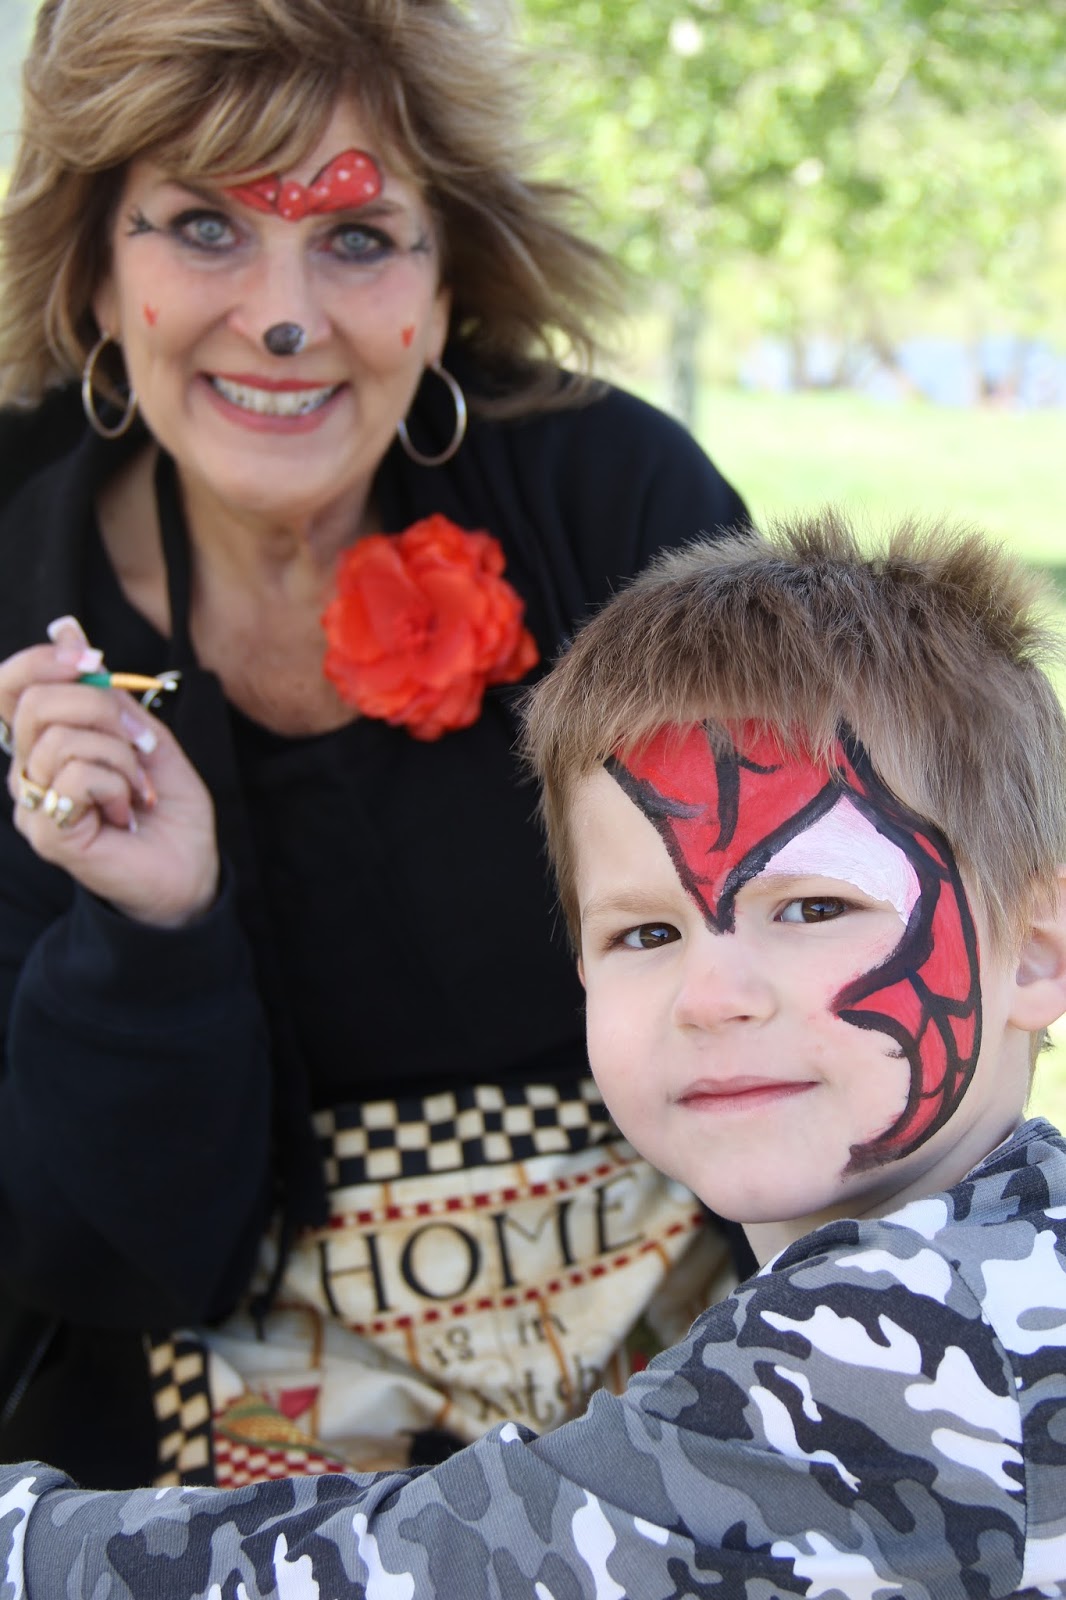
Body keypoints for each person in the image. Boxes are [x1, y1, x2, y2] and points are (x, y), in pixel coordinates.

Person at [5, 510, 1066, 1598]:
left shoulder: (893, 1349)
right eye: (645, 933)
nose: (711, 994)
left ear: (1033, 952)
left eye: (811, 906)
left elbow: (388, 1574)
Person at [0, 0, 751, 1491]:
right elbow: (109, 1259)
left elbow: (822, 1003)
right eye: (201, 227)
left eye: (355, 239)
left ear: (445, 275)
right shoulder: (13, 569)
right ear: (93, 267)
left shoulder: (607, 502)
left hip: (659, 1424)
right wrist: (152, 934)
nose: (283, 315)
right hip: (193, 1476)